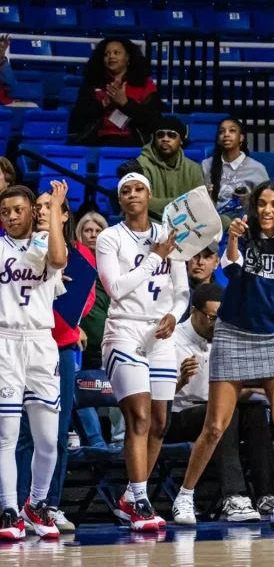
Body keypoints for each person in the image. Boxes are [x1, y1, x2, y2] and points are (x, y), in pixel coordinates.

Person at [171, 181, 274, 529]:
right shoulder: (242, 235)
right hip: (233, 334)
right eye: (262, 204)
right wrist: (234, 240)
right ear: (254, 207)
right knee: (215, 425)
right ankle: (185, 496)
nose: (267, 210)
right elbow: (230, 271)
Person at [96, 171, 188, 532]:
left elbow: (182, 291)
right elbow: (115, 288)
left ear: (149, 195)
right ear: (120, 200)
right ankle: (141, 500)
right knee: (139, 417)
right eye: (126, 191)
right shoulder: (109, 238)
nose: (133, 195)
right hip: (124, 329)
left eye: (139, 189)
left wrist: (174, 315)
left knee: (160, 422)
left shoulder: (168, 236)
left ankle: (130, 498)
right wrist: (154, 258)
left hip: (160, 332)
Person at [14, 188, 97, 534]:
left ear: (64, 215)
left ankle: (49, 504)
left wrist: (58, 292)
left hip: (59, 349)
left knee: (57, 433)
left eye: (51, 207)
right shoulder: (22, 251)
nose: (43, 211)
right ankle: (18, 504)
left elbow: (85, 303)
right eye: (40, 207)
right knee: (22, 434)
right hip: (19, 348)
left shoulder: (79, 257)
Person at [167, 283, 274, 523]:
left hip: (213, 411)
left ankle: (267, 496)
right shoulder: (172, 339)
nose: (218, 324)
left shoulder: (226, 339)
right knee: (223, 414)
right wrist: (180, 380)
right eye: (212, 317)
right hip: (176, 414)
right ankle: (234, 497)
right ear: (194, 312)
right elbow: (155, 397)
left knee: (255, 412)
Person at [0, 182, 69, 541]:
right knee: (6, 435)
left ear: (32, 211)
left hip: (42, 344)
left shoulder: (48, 242)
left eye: (18, 210)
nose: (11, 217)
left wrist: (55, 209)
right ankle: (8, 509)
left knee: (48, 438)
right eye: (5, 212)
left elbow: (57, 261)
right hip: (5, 343)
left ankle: (37, 504)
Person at [68, 38, 161, 147]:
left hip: (134, 144)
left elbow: (153, 123)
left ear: (127, 57)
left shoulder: (145, 84)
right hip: (97, 143)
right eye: (106, 54)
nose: (111, 57)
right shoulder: (92, 84)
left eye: (116, 53)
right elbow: (76, 122)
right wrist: (103, 104)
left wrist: (125, 103)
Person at [136, 116, 207, 217]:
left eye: (171, 135)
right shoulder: (141, 164)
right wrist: (184, 203)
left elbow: (199, 203)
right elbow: (143, 202)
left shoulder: (193, 168)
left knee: (225, 221)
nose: (165, 139)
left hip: (187, 220)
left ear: (181, 140)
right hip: (152, 220)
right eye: (160, 135)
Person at [202, 117, 270, 217]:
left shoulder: (256, 168)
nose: (226, 134)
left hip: (243, 224)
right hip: (212, 223)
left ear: (241, 137)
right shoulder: (206, 165)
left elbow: (268, 202)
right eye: (221, 132)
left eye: (232, 131)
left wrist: (249, 200)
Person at [77, 213, 110, 372]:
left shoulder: (112, 265)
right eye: (88, 230)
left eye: (98, 231)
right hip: (76, 337)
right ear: (80, 233)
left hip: (104, 339)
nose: (93, 235)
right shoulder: (71, 260)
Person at [181, 242, 219, 322]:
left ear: (216, 262)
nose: (200, 262)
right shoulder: (169, 289)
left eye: (207, 257)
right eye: (195, 255)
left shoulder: (223, 297)